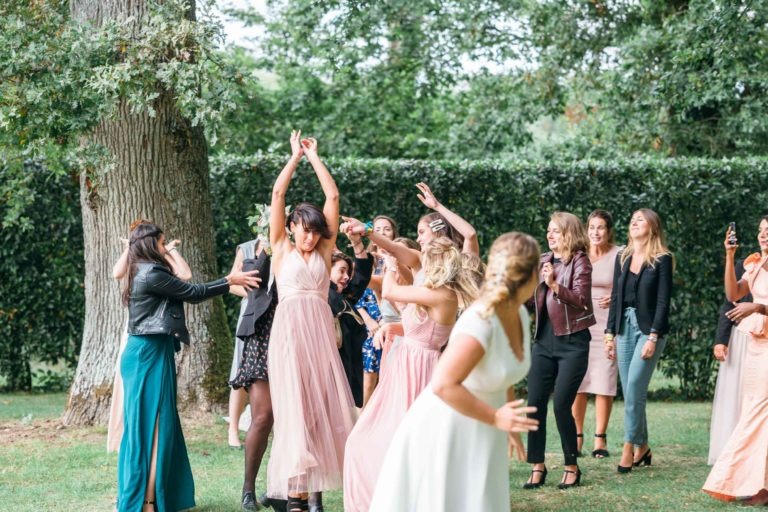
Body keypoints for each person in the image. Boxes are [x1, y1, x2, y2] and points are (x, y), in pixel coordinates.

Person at [369, 232, 541, 511]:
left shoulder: (519, 314)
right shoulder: (481, 321)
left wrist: (509, 423)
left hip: (486, 428)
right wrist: (496, 416)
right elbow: (443, 384)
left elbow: (503, 374)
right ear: (532, 273)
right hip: (449, 428)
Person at [117, 222, 259, 512]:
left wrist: (168, 252)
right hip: (148, 354)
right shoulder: (152, 273)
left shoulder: (140, 269)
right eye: (161, 243)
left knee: (154, 426)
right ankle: (145, 502)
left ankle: (151, 498)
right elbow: (192, 291)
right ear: (149, 244)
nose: (164, 247)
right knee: (154, 428)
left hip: (148, 352)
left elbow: (183, 278)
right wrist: (229, 280)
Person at [342, 235, 480, 512]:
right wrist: (369, 233)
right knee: (369, 439)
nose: (421, 262)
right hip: (403, 368)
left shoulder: (441, 294)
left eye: (427, 258)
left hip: (420, 372)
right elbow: (396, 249)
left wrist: (391, 266)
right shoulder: (431, 287)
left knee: (401, 444)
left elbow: (391, 293)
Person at [263, 131, 356, 512]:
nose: (311, 236)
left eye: (316, 231)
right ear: (293, 228)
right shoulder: (281, 247)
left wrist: (315, 156)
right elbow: (277, 197)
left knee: (318, 411)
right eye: (305, 229)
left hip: (318, 334)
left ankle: (307, 494)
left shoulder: (325, 250)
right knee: (293, 411)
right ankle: (295, 497)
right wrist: (293, 159)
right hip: (287, 336)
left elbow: (332, 197)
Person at [107, 220, 192, 454]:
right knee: (135, 393)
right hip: (141, 329)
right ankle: (132, 437)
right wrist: (128, 248)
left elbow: (186, 274)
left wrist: (170, 249)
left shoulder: (157, 264)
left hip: (154, 328)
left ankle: (150, 441)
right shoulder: (139, 264)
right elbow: (116, 273)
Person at [525, 212, 594, 490]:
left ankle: (571, 465)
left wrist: (554, 285)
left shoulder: (580, 261)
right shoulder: (543, 260)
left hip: (573, 343)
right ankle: (537, 465)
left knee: (561, 404)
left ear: (569, 233)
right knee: (534, 403)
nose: (550, 235)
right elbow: (531, 301)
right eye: (548, 231)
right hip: (543, 342)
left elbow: (581, 300)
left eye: (555, 231)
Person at [703, 220, 768, 504]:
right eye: (761, 229)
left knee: (758, 413)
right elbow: (733, 294)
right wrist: (730, 257)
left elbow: (752, 303)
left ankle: (736, 479)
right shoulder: (754, 263)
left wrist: (759, 307)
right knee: (755, 413)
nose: (764, 234)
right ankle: (761, 485)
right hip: (755, 345)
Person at [604, 208, 673, 474]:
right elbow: (616, 297)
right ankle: (643, 448)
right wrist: (609, 334)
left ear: (653, 227)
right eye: (632, 219)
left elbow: (663, 302)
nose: (634, 222)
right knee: (633, 392)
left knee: (633, 386)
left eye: (640, 219)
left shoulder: (663, 259)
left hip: (649, 330)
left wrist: (654, 337)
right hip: (623, 327)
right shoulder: (622, 257)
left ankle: (628, 446)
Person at [228, 235, 279, 512]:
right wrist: (269, 246)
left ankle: (278, 488)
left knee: (290, 419)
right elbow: (254, 280)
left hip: (293, 332)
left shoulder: (301, 246)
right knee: (262, 416)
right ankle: (248, 488)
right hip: (262, 334)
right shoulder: (258, 248)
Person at [572, 210, 621, 458]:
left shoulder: (619, 255)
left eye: (600, 227)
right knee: (578, 381)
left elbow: (629, 289)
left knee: (604, 380)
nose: (595, 232)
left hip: (606, 326)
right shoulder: (578, 255)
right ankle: (577, 436)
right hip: (580, 323)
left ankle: (600, 438)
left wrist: (614, 297)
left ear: (609, 230)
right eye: (592, 227)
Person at [225, 239, 261, 449]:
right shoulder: (246, 248)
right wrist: (255, 295)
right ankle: (233, 429)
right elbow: (232, 285)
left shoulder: (283, 245)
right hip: (249, 312)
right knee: (240, 369)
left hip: (274, 314)